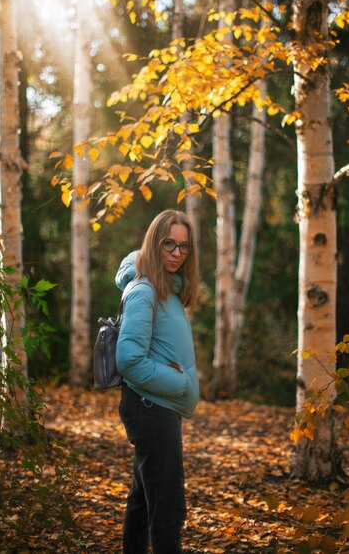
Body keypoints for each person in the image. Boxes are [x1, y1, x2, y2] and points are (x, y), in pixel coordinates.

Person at [116, 209, 200, 554]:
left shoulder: (167, 288)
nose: (177, 253)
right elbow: (128, 359)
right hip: (151, 406)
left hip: (158, 406)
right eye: (169, 244)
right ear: (155, 243)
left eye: (183, 246)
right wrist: (178, 382)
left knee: (143, 502)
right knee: (167, 507)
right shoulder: (145, 291)